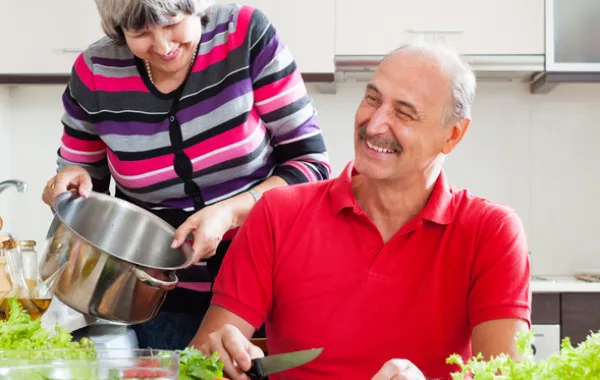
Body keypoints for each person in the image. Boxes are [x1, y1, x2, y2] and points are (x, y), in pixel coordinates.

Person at [189, 42, 532, 380]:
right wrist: (219, 352)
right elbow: (202, 361)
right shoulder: (277, 214)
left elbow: (505, 375)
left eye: (404, 112)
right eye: (372, 98)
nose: (375, 123)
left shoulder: (492, 231)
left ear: (452, 135)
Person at [40, 0, 331, 350]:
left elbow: (311, 165)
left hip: (269, 293)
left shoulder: (244, 35)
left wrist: (230, 213)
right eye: (141, 32)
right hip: (155, 303)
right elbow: (85, 184)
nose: (162, 46)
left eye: (173, 22)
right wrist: (71, 182)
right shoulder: (95, 72)